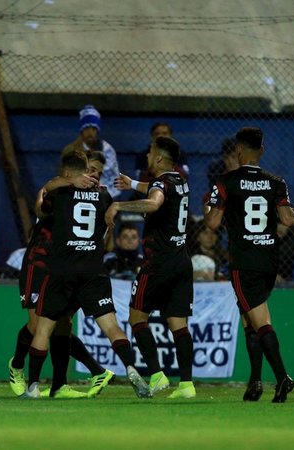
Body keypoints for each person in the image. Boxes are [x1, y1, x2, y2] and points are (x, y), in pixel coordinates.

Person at [22, 151, 151, 399]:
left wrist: (61, 186)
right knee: (112, 327)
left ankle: (33, 387)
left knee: (43, 330)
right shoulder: (104, 196)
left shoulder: (60, 193)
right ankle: (131, 368)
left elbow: (40, 210)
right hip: (93, 271)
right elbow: (105, 228)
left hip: (61, 271)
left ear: (67, 172)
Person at [204, 127, 294, 403]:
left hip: (243, 261)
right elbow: (287, 219)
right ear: (262, 150)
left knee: (261, 323)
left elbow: (212, 223)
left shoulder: (226, 182)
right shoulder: (276, 181)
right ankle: (255, 382)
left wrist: (211, 207)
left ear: (238, 150)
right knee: (249, 319)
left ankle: (283, 377)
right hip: (269, 261)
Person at [8, 153, 116, 399]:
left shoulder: (95, 197)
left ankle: (59, 385)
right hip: (40, 264)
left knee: (63, 325)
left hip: (67, 267)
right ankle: (16, 366)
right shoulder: (55, 188)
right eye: (89, 170)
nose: (92, 176)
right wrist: (68, 182)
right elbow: (45, 194)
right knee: (38, 325)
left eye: (97, 172)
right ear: (73, 173)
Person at [107, 135, 196, 399]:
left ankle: (157, 375)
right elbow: (159, 190)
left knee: (137, 318)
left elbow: (155, 201)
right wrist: (133, 183)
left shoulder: (161, 183)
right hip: (181, 261)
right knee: (179, 325)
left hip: (157, 262)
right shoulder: (180, 180)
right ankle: (187, 385)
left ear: (158, 158)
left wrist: (119, 204)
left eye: (150, 153)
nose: (146, 157)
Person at [62, 105, 120, 198]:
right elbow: (64, 175)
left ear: (97, 131)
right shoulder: (70, 150)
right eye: (86, 128)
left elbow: (110, 176)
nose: (90, 133)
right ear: (81, 130)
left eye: (93, 129)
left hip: (108, 194)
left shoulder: (107, 149)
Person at [132, 122, 189, 200]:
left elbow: (183, 176)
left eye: (164, 133)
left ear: (170, 136)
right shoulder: (144, 155)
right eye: (156, 133)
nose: (160, 136)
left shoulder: (180, 154)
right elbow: (140, 177)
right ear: (152, 137)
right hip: (147, 193)